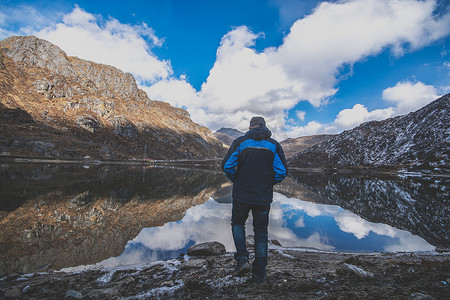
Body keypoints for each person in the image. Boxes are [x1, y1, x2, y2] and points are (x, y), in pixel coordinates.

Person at [221, 116, 288, 284]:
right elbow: (281, 172)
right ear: (264, 126)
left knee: (237, 224)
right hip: (263, 196)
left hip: (241, 194)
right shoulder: (274, 145)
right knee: (261, 232)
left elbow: (227, 166)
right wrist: (268, 182)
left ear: (250, 127)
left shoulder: (240, 142)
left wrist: (237, 179)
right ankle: (259, 273)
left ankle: (242, 261)